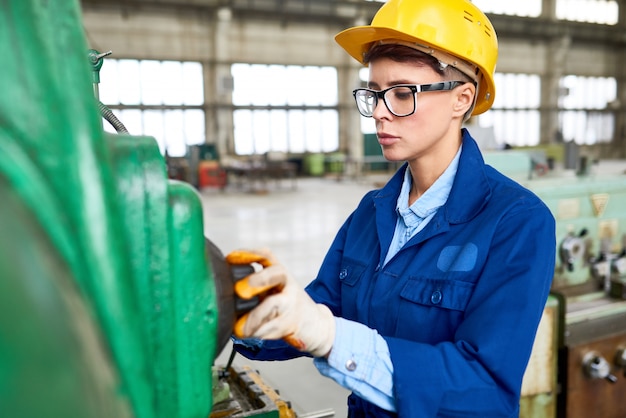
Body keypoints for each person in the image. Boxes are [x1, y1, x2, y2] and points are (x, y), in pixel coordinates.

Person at [232, 0, 556, 416]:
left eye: (402, 94)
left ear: (462, 99)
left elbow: (484, 389)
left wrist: (329, 337)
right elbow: (319, 308)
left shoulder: (517, 223)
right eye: (375, 94)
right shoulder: (372, 211)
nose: (381, 113)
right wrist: (241, 307)